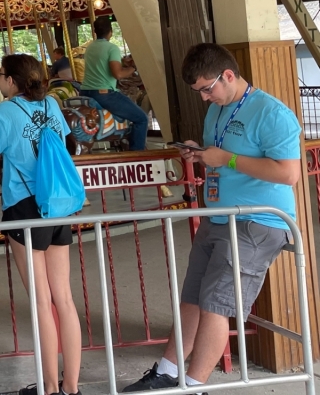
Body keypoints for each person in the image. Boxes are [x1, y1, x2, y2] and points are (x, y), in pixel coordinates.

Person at [123, 43, 301, 394]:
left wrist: (229, 160)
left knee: (216, 304)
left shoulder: (272, 113)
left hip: (257, 222)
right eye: (199, 91)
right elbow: (220, 155)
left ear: (229, 76)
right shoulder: (218, 110)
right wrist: (202, 154)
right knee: (192, 297)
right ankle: (167, 371)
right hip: (217, 216)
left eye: (207, 88)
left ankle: (194, 385)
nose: (204, 97)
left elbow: (289, 174)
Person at [0, 54, 82, 395]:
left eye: (1, 76)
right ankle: (71, 386)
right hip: (58, 204)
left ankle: (49, 388)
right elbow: (66, 145)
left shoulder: (5, 112)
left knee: (40, 301)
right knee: (63, 297)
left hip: (24, 207)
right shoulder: (50, 104)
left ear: (11, 81)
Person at [79, 16, 149, 150]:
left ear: (95, 31)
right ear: (110, 32)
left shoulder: (90, 48)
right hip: (104, 94)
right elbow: (118, 74)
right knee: (142, 119)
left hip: (85, 91)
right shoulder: (112, 48)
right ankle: (138, 156)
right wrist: (134, 68)